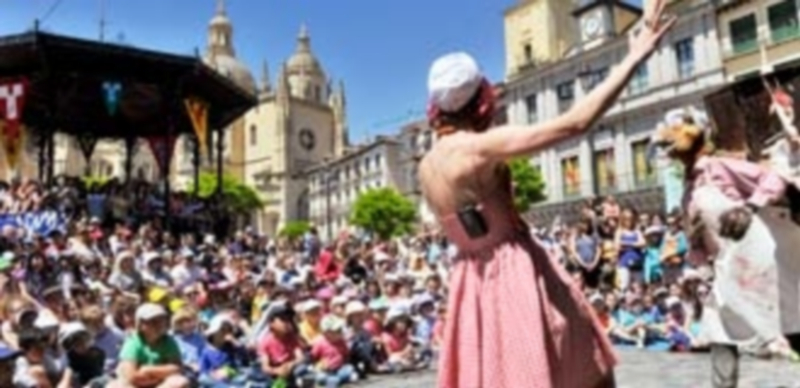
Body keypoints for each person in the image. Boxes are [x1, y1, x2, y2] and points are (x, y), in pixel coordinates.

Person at [417, 1, 676, 386]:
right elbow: (577, 122)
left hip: (470, 277)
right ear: (480, 100)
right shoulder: (477, 147)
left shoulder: (426, 165)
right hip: (512, 269)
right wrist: (635, 56)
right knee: (583, 365)